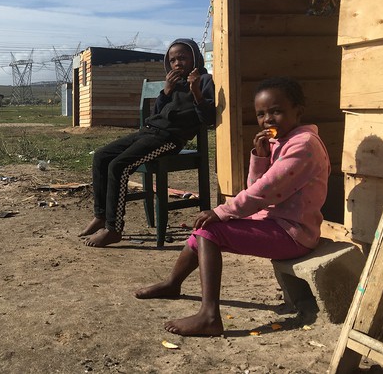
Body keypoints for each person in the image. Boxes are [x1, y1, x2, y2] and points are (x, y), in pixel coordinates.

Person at [134, 76, 330, 336]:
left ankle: (209, 316)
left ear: (298, 111)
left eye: (277, 111)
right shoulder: (281, 141)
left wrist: (221, 211)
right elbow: (257, 186)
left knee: (210, 231)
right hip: (274, 223)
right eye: (261, 114)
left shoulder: (303, 145)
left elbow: (264, 192)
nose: (268, 119)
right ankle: (173, 283)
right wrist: (260, 157)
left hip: (293, 233)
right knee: (203, 229)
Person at [79, 38, 215, 248]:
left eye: (183, 58)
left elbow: (208, 119)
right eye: (172, 60)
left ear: (195, 58)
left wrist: (196, 91)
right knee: (101, 156)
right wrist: (166, 91)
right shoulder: (172, 83)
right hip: (149, 132)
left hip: (170, 139)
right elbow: (157, 113)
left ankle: (114, 229)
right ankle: (101, 216)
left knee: (119, 166)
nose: (177, 63)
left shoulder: (204, 80)